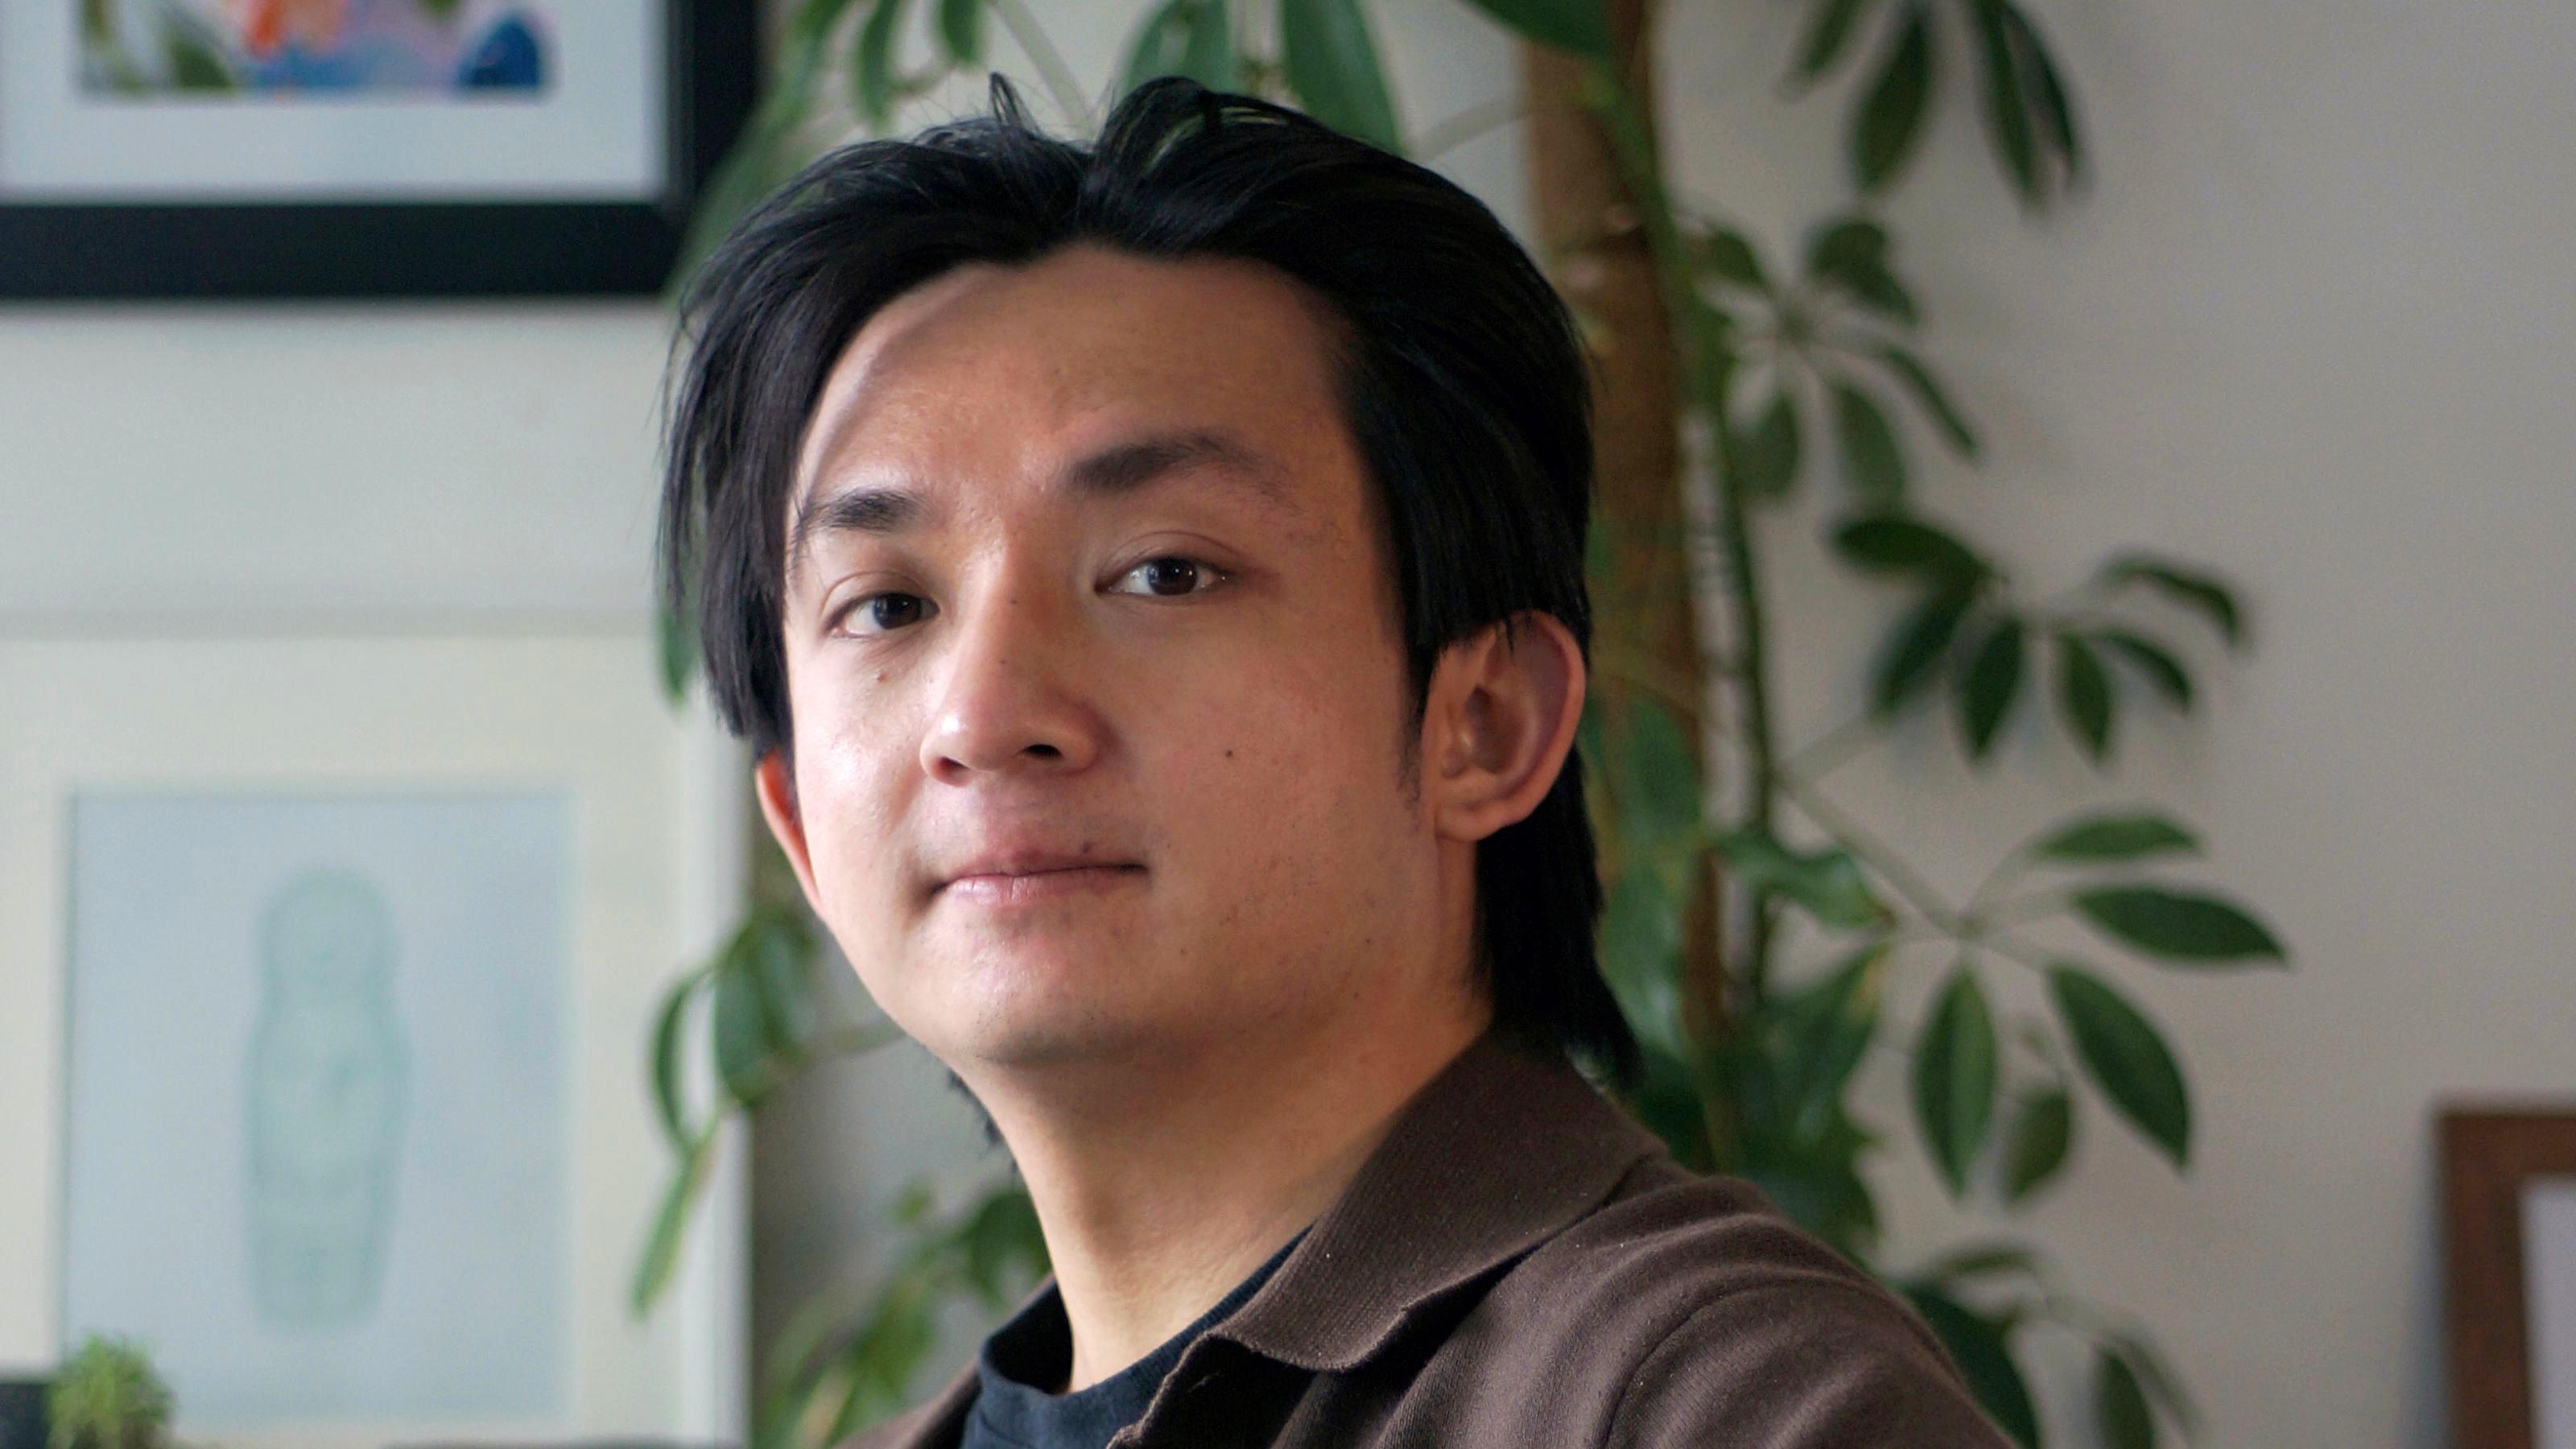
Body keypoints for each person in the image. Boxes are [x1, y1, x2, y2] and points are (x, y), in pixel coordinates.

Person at [657, 72, 2008, 1449]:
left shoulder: (1722, 1402)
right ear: (802, 835)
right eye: (886, 606)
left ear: (1485, 721)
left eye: (1165, 572)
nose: (986, 712)